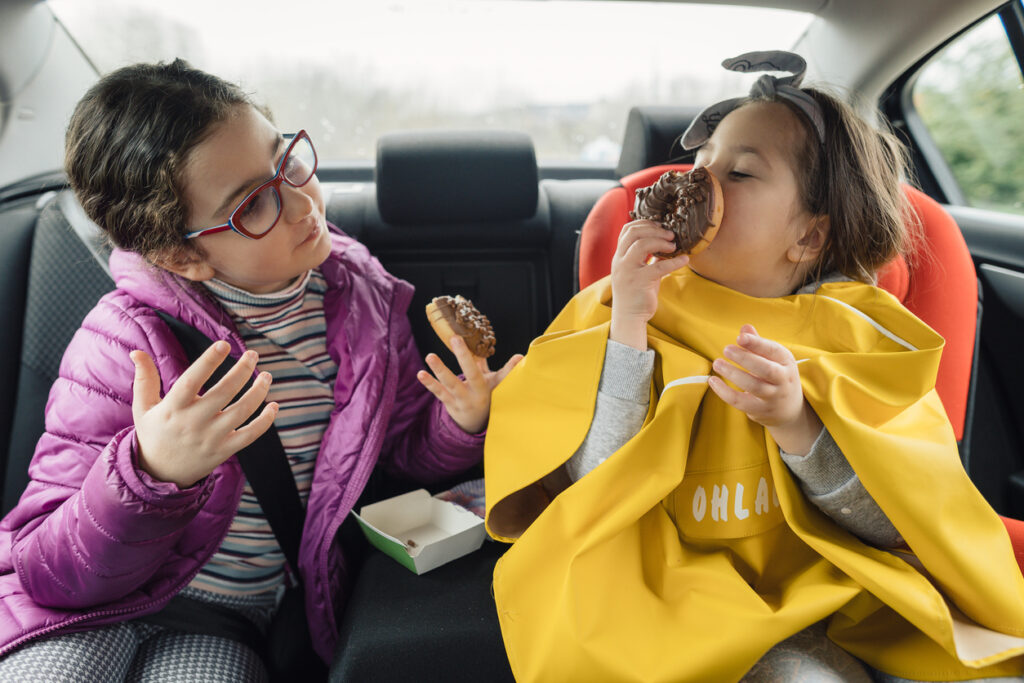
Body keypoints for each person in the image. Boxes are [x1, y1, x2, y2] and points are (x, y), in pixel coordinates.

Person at [483, 51, 1024, 682]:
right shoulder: (619, 306)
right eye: (700, 162)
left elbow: (896, 523)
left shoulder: (860, 335)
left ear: (809, 238)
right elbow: (588, 484)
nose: (702, 182)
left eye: (739, 173)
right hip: (675, 595)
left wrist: (799, 426)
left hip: (837, 591)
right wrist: (629, 328)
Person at [0, 59, 520, 682]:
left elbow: (397, 457)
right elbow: (44, 569)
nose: (302, 202)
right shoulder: (125, 344)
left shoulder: (368, 308)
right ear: (181, 255)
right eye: (253, 205)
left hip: (229, 617)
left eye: (288, 160)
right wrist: (150, 471)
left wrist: (461, 423)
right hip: (87, 613)